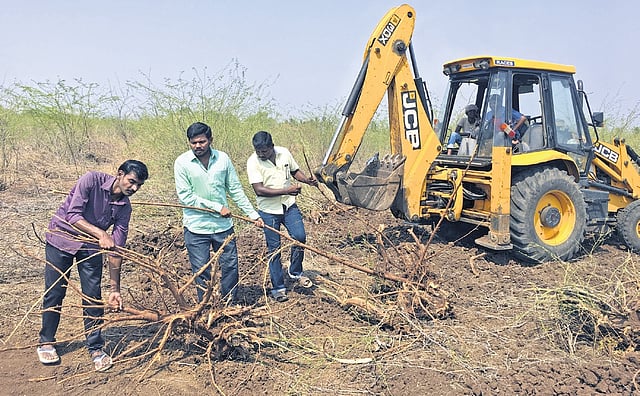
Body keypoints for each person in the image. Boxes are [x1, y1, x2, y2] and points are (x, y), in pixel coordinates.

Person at [37, 160, 149, 372]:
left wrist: (115, 289)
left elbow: (116, 250)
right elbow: (72, 215)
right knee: (54, 292)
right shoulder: (91, 180)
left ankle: (96, 348)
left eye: (139, 186)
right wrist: (101, 233)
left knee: (92, 296)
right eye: (132, 182)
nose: (133, 189)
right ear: (120, 174)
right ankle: (46, 341)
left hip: (90, 247)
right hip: (61, 239)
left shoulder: (125, 207)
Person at [174, 122, 263, 304]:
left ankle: (229, 304)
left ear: (210, 140)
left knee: (230, 265)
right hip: (196, 227)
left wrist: (253, 215)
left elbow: (235, 189)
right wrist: (216, 207)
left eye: (202, 141)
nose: (198, 146)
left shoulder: (223, 159)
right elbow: (186, 196)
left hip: (223, 227)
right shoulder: (182, 162)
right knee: (201, 270)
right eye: (193, 143)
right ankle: (206, 307)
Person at [247, 131, 318, 303]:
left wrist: (307, 181)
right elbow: (259, 190)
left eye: (264, 150)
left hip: (289, 206)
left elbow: (295, 171)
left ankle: (295, 273)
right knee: (274, 250)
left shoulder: (284, 153)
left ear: (272, 146)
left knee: (300, 238)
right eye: (258, 151)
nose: (261, 154)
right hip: (269, 211)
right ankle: (278, 288)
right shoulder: (253, 162)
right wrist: (286, 190)